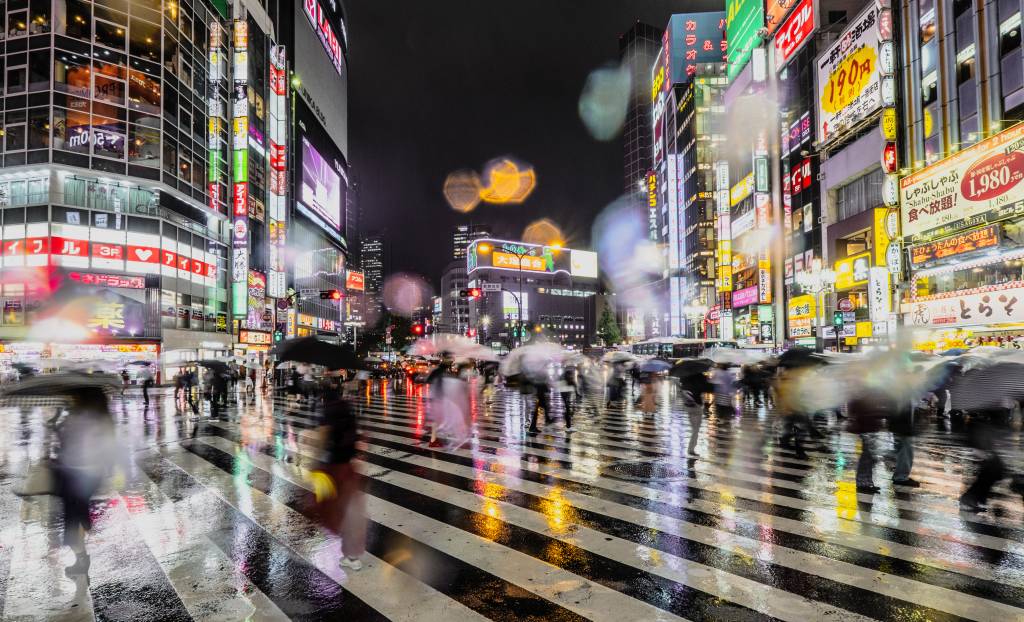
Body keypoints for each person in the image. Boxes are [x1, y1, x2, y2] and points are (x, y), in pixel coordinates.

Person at [55, 387, 118, 576]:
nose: (71, 397)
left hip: (75, 474)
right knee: (78, 514)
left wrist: (60, 424)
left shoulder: (78, 418)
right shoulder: (103, 418)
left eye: (75, 395)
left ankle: (81, 559)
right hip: (92, 474)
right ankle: (84, 531)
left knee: (72, 521)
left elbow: (66, 445)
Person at [316, 377, 367, 571]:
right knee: (351, 509)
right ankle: (352, 555)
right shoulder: (347, 407)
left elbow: (322, 436)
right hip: (349, 464)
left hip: (333, 466)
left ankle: (341, 545)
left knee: (329, 507)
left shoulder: (327, 410)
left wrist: (315, 461)